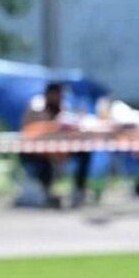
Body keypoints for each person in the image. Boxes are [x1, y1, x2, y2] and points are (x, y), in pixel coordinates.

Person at [19, 81, 90, 209]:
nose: (59, 97)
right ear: (49, 94)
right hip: (34, 150)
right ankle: (45, 194)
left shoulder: (63, 106)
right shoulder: (36, 107)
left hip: (57, 148)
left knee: (84, 152)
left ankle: (79, 190)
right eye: (57, 94)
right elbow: (33, 133)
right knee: (44, 164)